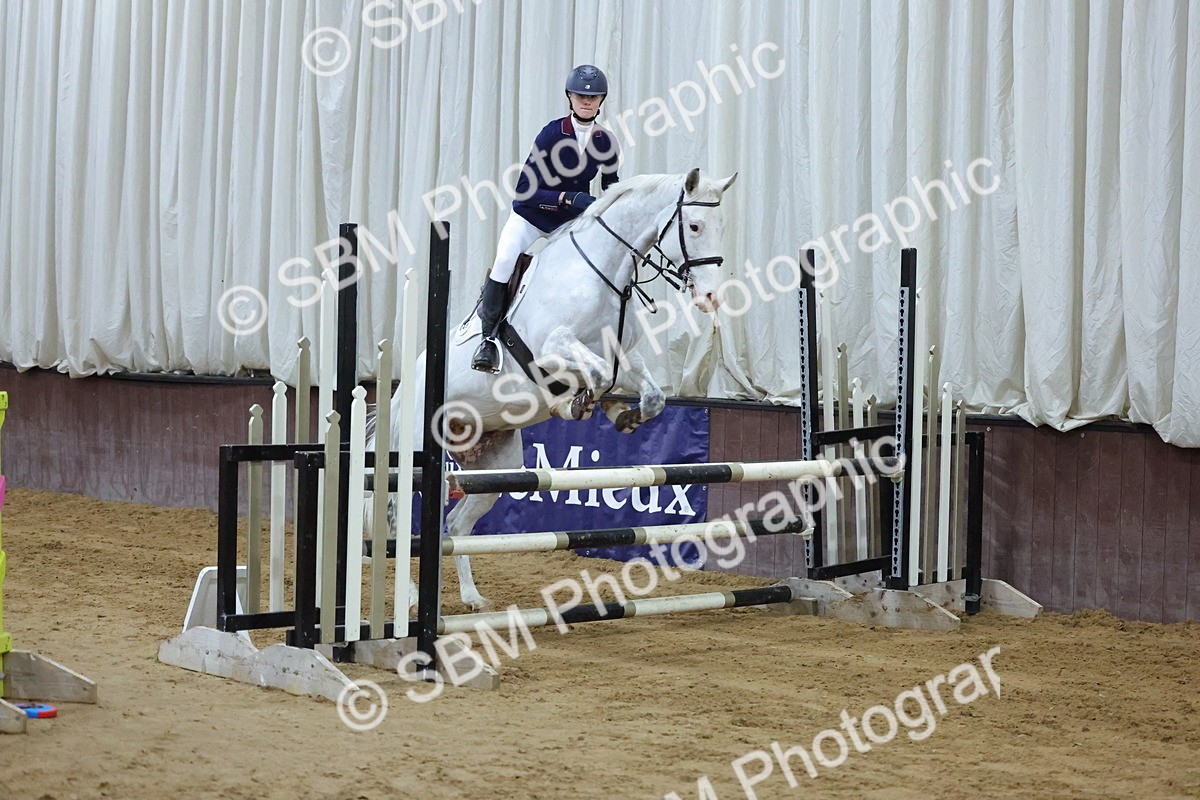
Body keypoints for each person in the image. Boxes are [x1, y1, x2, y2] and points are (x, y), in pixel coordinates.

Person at [471, 64, 622, 373]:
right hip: (530, 217)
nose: (586, 102)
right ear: (569, 96)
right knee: (504, 260)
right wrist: (568, 198)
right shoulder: (552, 133)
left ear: (601, 101)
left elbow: (612, 187)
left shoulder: (606, 141)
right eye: (580, 96)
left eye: (593, 98)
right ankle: (487, 340)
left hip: (567, 226)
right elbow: (523, 192)